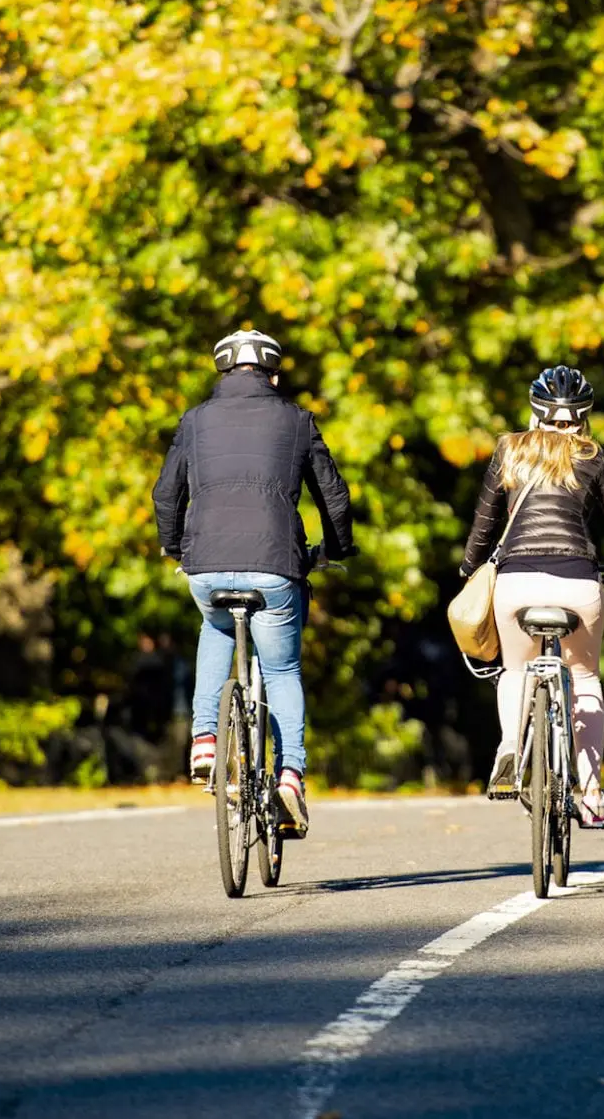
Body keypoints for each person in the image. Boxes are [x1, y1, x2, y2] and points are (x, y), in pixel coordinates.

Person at [152, 330, 355, 837]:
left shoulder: (194, 420)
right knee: (282, 668)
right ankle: (289, 777)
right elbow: (334, 495)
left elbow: (164, 494)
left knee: (216, 628)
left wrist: (176, 547)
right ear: (275, 376)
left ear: (222, 373)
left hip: (207, 564)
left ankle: (203, 740)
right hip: (275, 563)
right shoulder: (297, 419)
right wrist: (334, 548)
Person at [460, 365, 604, 828]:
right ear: (583, 417)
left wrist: (469, 569)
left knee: (515, 669)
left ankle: (510, 749)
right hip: (578, 582)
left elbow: (484, 526)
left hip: (516, 584)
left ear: (535, 412)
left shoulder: (509, 452)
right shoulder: (594, 456)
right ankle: (589, 795)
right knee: (584, 678)